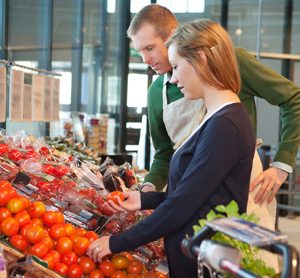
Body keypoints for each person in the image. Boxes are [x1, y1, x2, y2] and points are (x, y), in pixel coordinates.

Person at [87, 19, 256, 278]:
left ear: (202, 59)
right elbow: (196, 194)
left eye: (177, 67)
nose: (174, 78)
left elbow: (182, 205)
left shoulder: (226, 125)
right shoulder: (214, 118)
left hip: (202, 260)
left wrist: (117, 242)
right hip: (193, 251)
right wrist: (145, 199)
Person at [127, 4, 300, 205]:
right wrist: (149, 188)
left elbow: (293, 98)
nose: (145, 59)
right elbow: (164, 155)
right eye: (139, 51)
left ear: (172, 36)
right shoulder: (156, 93)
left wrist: (282, 165)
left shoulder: (232, 62)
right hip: (191, 194)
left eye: (150, 48)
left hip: (244, 190)